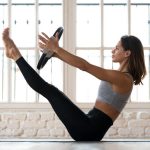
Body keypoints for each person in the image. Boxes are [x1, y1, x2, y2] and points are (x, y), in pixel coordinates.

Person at [2, 27, 146, 141]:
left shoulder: (123, 79)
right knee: (52, 91)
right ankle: (14, 54)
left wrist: (57, 49)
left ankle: (14, 54)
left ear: (127, 53)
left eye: (117, 48)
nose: (112, 50)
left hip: (89, 130)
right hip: (88, 124)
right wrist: (56, 54)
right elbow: (83, 65)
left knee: (50, 91)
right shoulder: (120, 76)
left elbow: (85, 66)